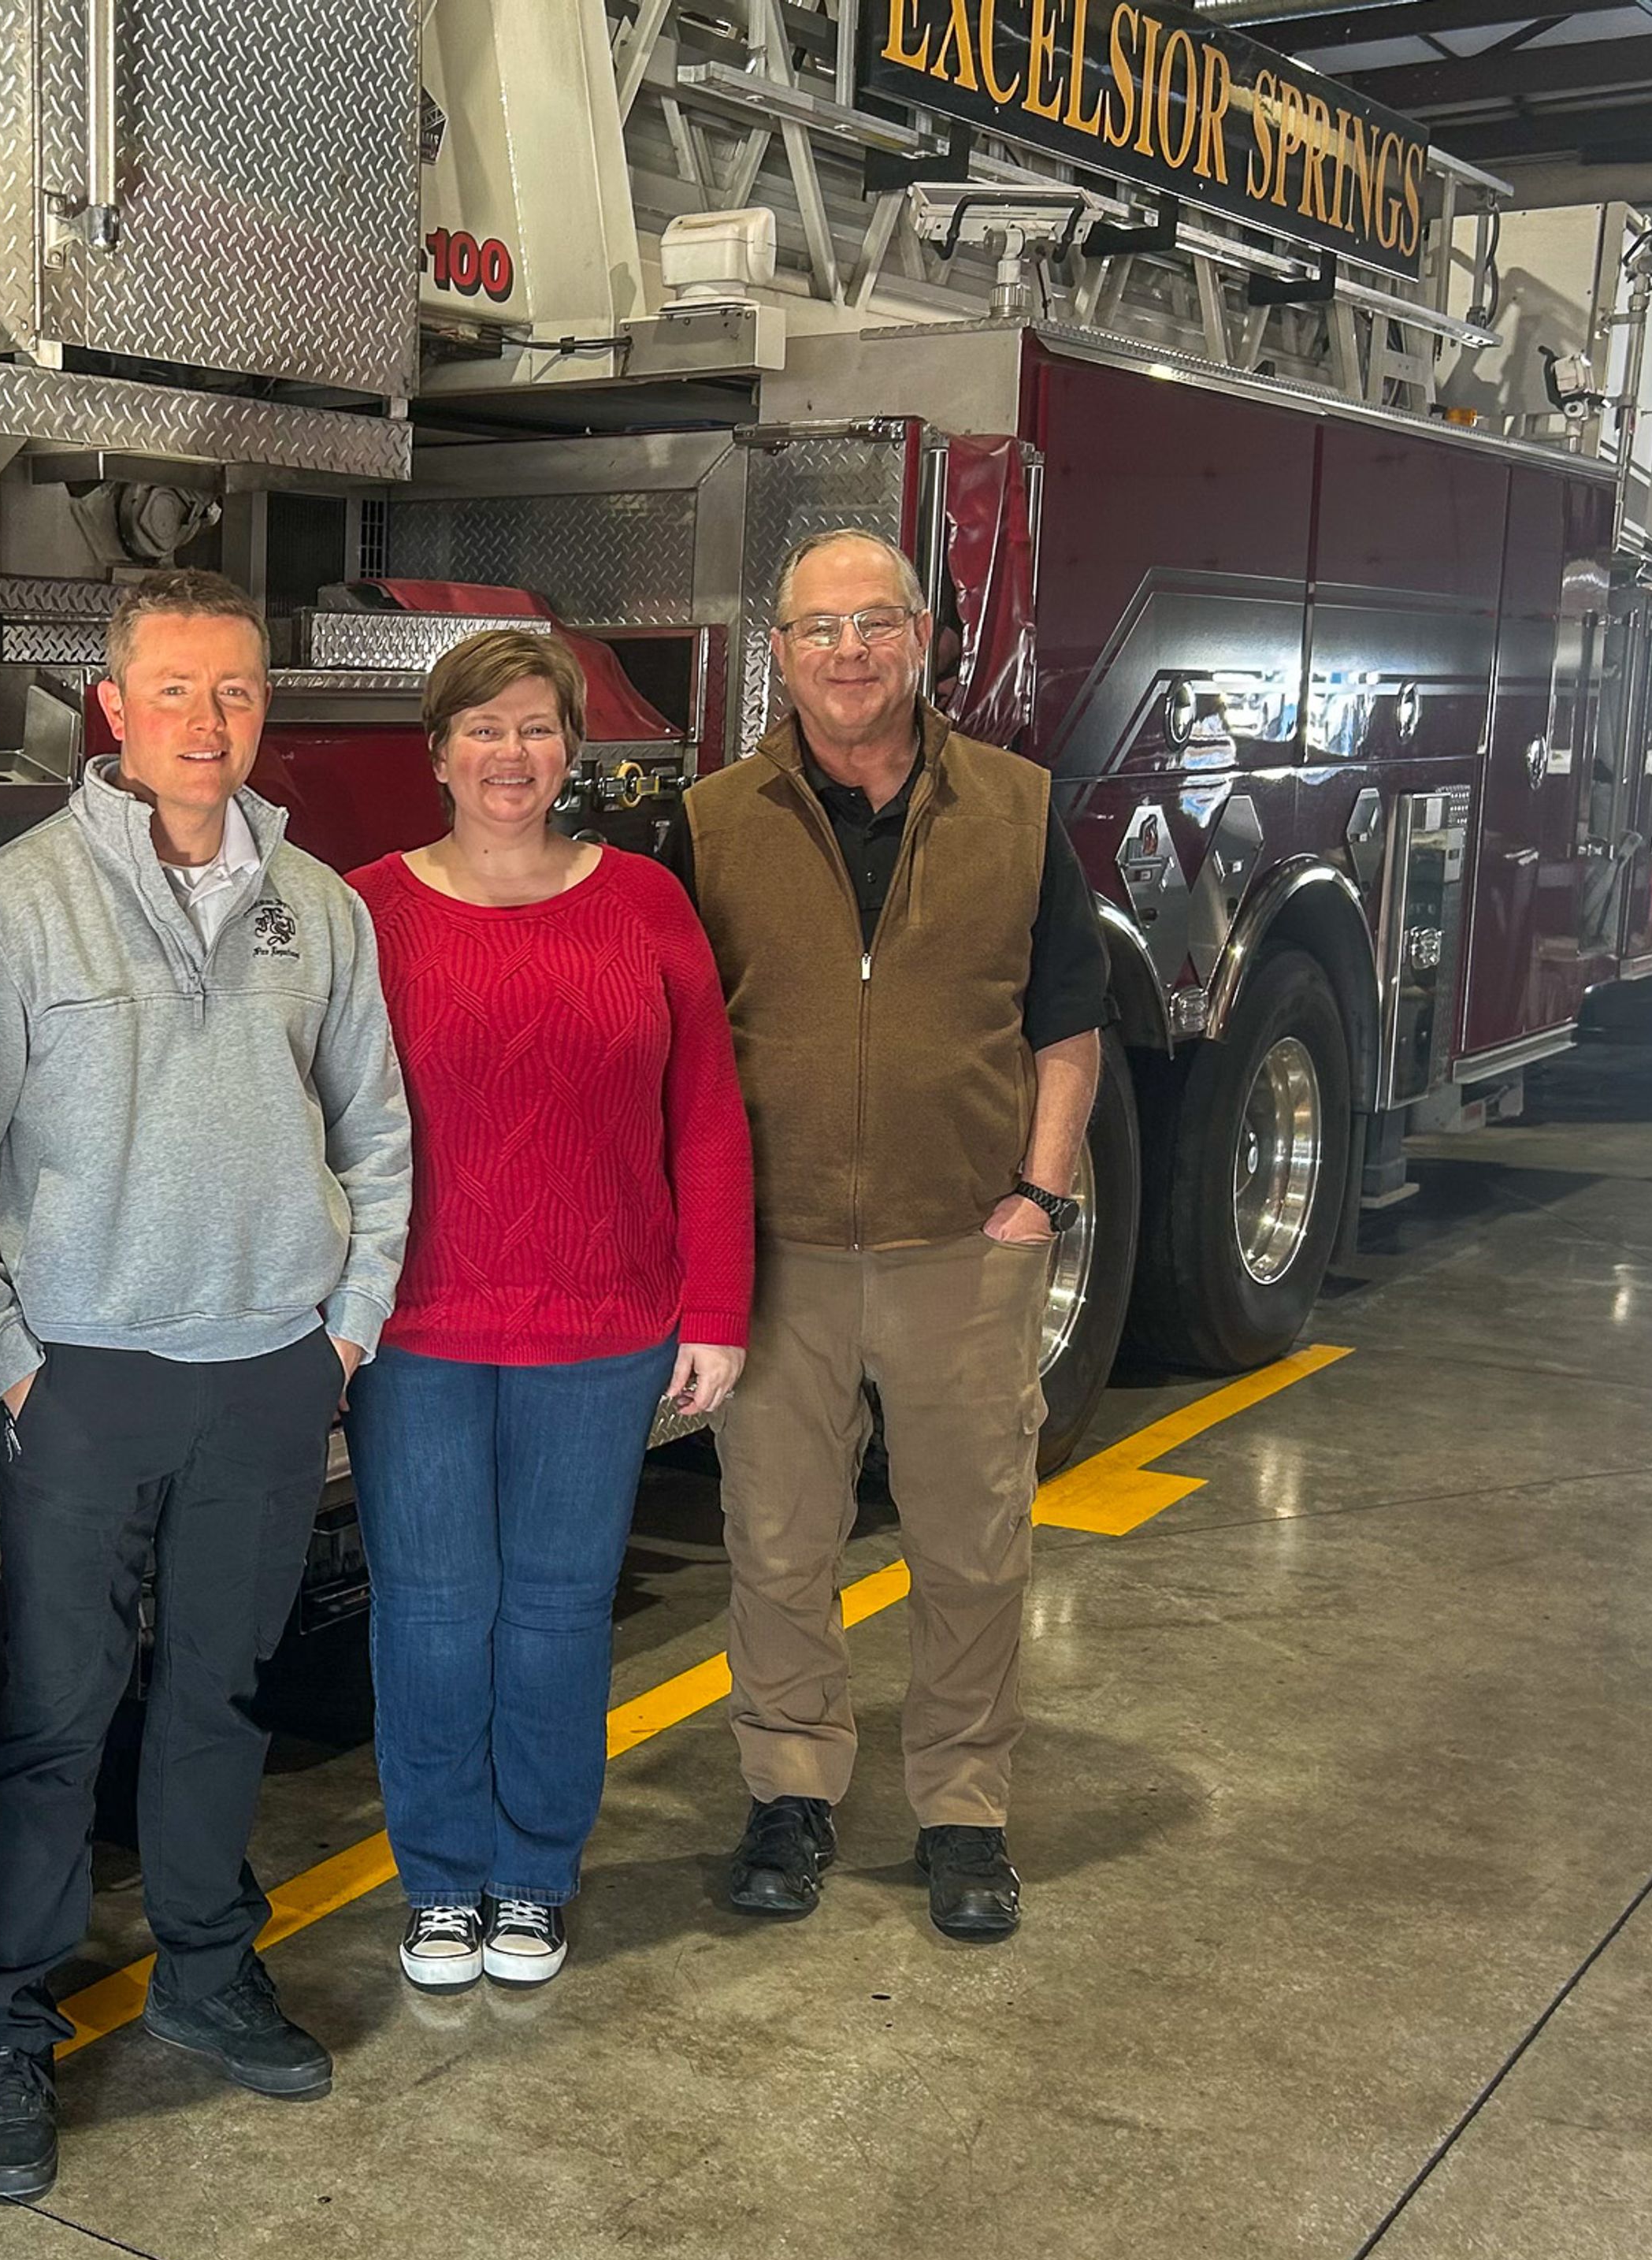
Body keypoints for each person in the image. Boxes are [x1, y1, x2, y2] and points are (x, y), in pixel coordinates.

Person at [0, 566, 412, 2204]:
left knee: (220, 1692)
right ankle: (11, 2022)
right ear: (109, 705)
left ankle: (202, 1962)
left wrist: (345, 1328)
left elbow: (375, 1132)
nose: (208, 721)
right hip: (85, 1383)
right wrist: (11, 1365)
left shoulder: (317, 909)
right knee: (54, 1716)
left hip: (269, 1369)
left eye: (236, 690)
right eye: (173, 690)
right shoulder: (4, 913)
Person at [681, 527, 1106, 1942]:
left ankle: (964, 1810)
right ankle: (789, 1790)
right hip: (779, 1256)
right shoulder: (716, 821)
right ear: (780, 651)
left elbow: (1067, 1024)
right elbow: (682, 1044)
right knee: (776, 1543)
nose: (848, 651)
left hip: (961, 1250)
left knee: (974, 1545)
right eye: (820, 628)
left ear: (922, 639)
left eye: (875, 622)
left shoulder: (1019, 810)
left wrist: (1039, 1197)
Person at [342, 630, 754, 1993]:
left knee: (561, 1612)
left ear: (572, 749)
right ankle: (439, 1880)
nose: (509, 753)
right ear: (437, 752)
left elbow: (706, 1113)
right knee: (430, 1612)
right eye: (483, 727)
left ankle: (533, 1871)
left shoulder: (644, 901)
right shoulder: (366, 910)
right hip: (417, 1328)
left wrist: (716, 1307)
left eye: (534, 726)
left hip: (605, 1323)